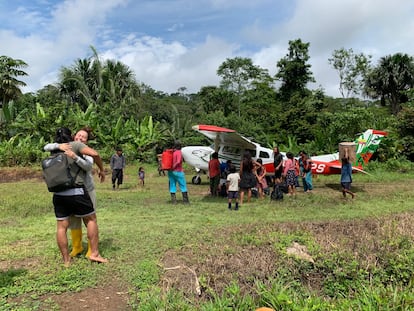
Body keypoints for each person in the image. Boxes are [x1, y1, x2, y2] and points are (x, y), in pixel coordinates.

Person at [49, 127, 107, 266]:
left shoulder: (55, 149)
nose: (81, 138)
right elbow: (96, 154)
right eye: (79, 135)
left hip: (63, 192)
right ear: (73, 136)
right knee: (89, 220)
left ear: (87, 141)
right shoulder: (72, 146)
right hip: (78, 191)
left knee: (62, 226)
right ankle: (85, 249)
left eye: (84, 137)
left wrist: (71, 154)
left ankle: (67, 260)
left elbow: (87, 166)